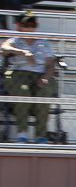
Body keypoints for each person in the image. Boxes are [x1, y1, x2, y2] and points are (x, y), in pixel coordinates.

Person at [1, 11, 55, 143]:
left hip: (40, 74)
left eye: (33, 25)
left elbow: (51, 64)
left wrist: (46, 77)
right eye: (26, 25)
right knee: (22, 92)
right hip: (18, 73)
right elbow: (3, 48)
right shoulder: (15, 40)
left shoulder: (44, 43)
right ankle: (22, 133)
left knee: (44, 93)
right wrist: (22, 52)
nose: (30, 28)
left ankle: (41, 136)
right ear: (19, 26)